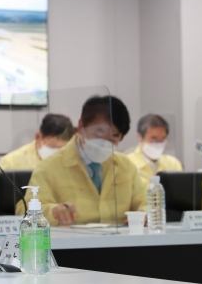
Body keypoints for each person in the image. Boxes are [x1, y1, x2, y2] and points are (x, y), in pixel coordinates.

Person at [17, 96, 147, 225]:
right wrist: (53, 211)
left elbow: (143, 202)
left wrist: (144, 213)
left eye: (114, 137)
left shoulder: (126, 166)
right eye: (99, 132)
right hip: (72, 243)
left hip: (120, 243)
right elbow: (24, 210)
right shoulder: (49, 167)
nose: (105, 142)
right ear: (81, 127)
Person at [0, 113, 74, 208]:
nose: (57, 153)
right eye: (52, 147)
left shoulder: (74, 161)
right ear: (38, 137)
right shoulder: (12, 161)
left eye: (62, 149)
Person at [127, 114, 183, 185]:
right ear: (139, 137)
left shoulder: (173, 164)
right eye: (154, 139)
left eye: (162, 139)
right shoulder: (127, 164)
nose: (158, 144)